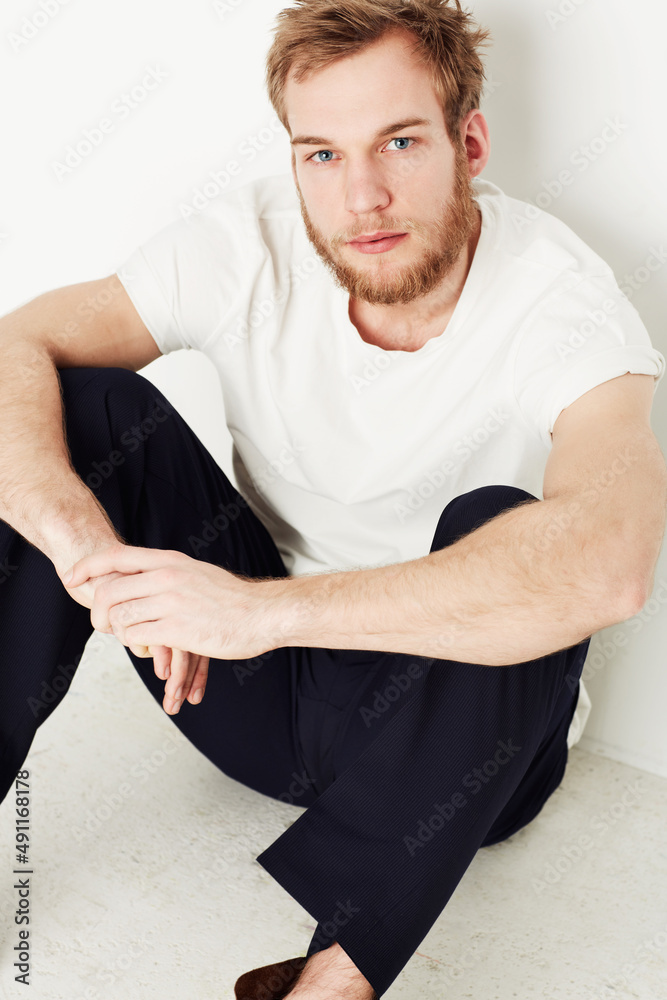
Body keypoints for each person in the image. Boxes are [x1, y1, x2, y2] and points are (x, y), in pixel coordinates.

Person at [1, 0, 665, 997]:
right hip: (253, 695)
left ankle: (331, 980)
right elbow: (18, 344)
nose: (362, 196)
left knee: (511, 528)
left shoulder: (557, 296)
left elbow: (609, 563)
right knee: (87, 406)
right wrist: (87, 552)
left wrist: (253, 611)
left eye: (399, 141)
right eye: (321, 154)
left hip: (466, 757)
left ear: (468, 140)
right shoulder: (245, 245)